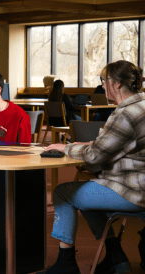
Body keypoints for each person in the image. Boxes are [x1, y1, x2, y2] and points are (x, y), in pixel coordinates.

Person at [42, 60, 145, 274]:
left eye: (103, 80)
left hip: (133, 191)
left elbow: (94, 157)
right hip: (138, 184)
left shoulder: (124, 114)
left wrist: (66, 148)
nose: (102, 85)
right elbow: (126, 143)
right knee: (87, 192)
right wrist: (90, 144)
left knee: (64, 192)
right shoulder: (141, 106)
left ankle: (66, 265)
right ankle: (116, 258)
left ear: (116, 84)